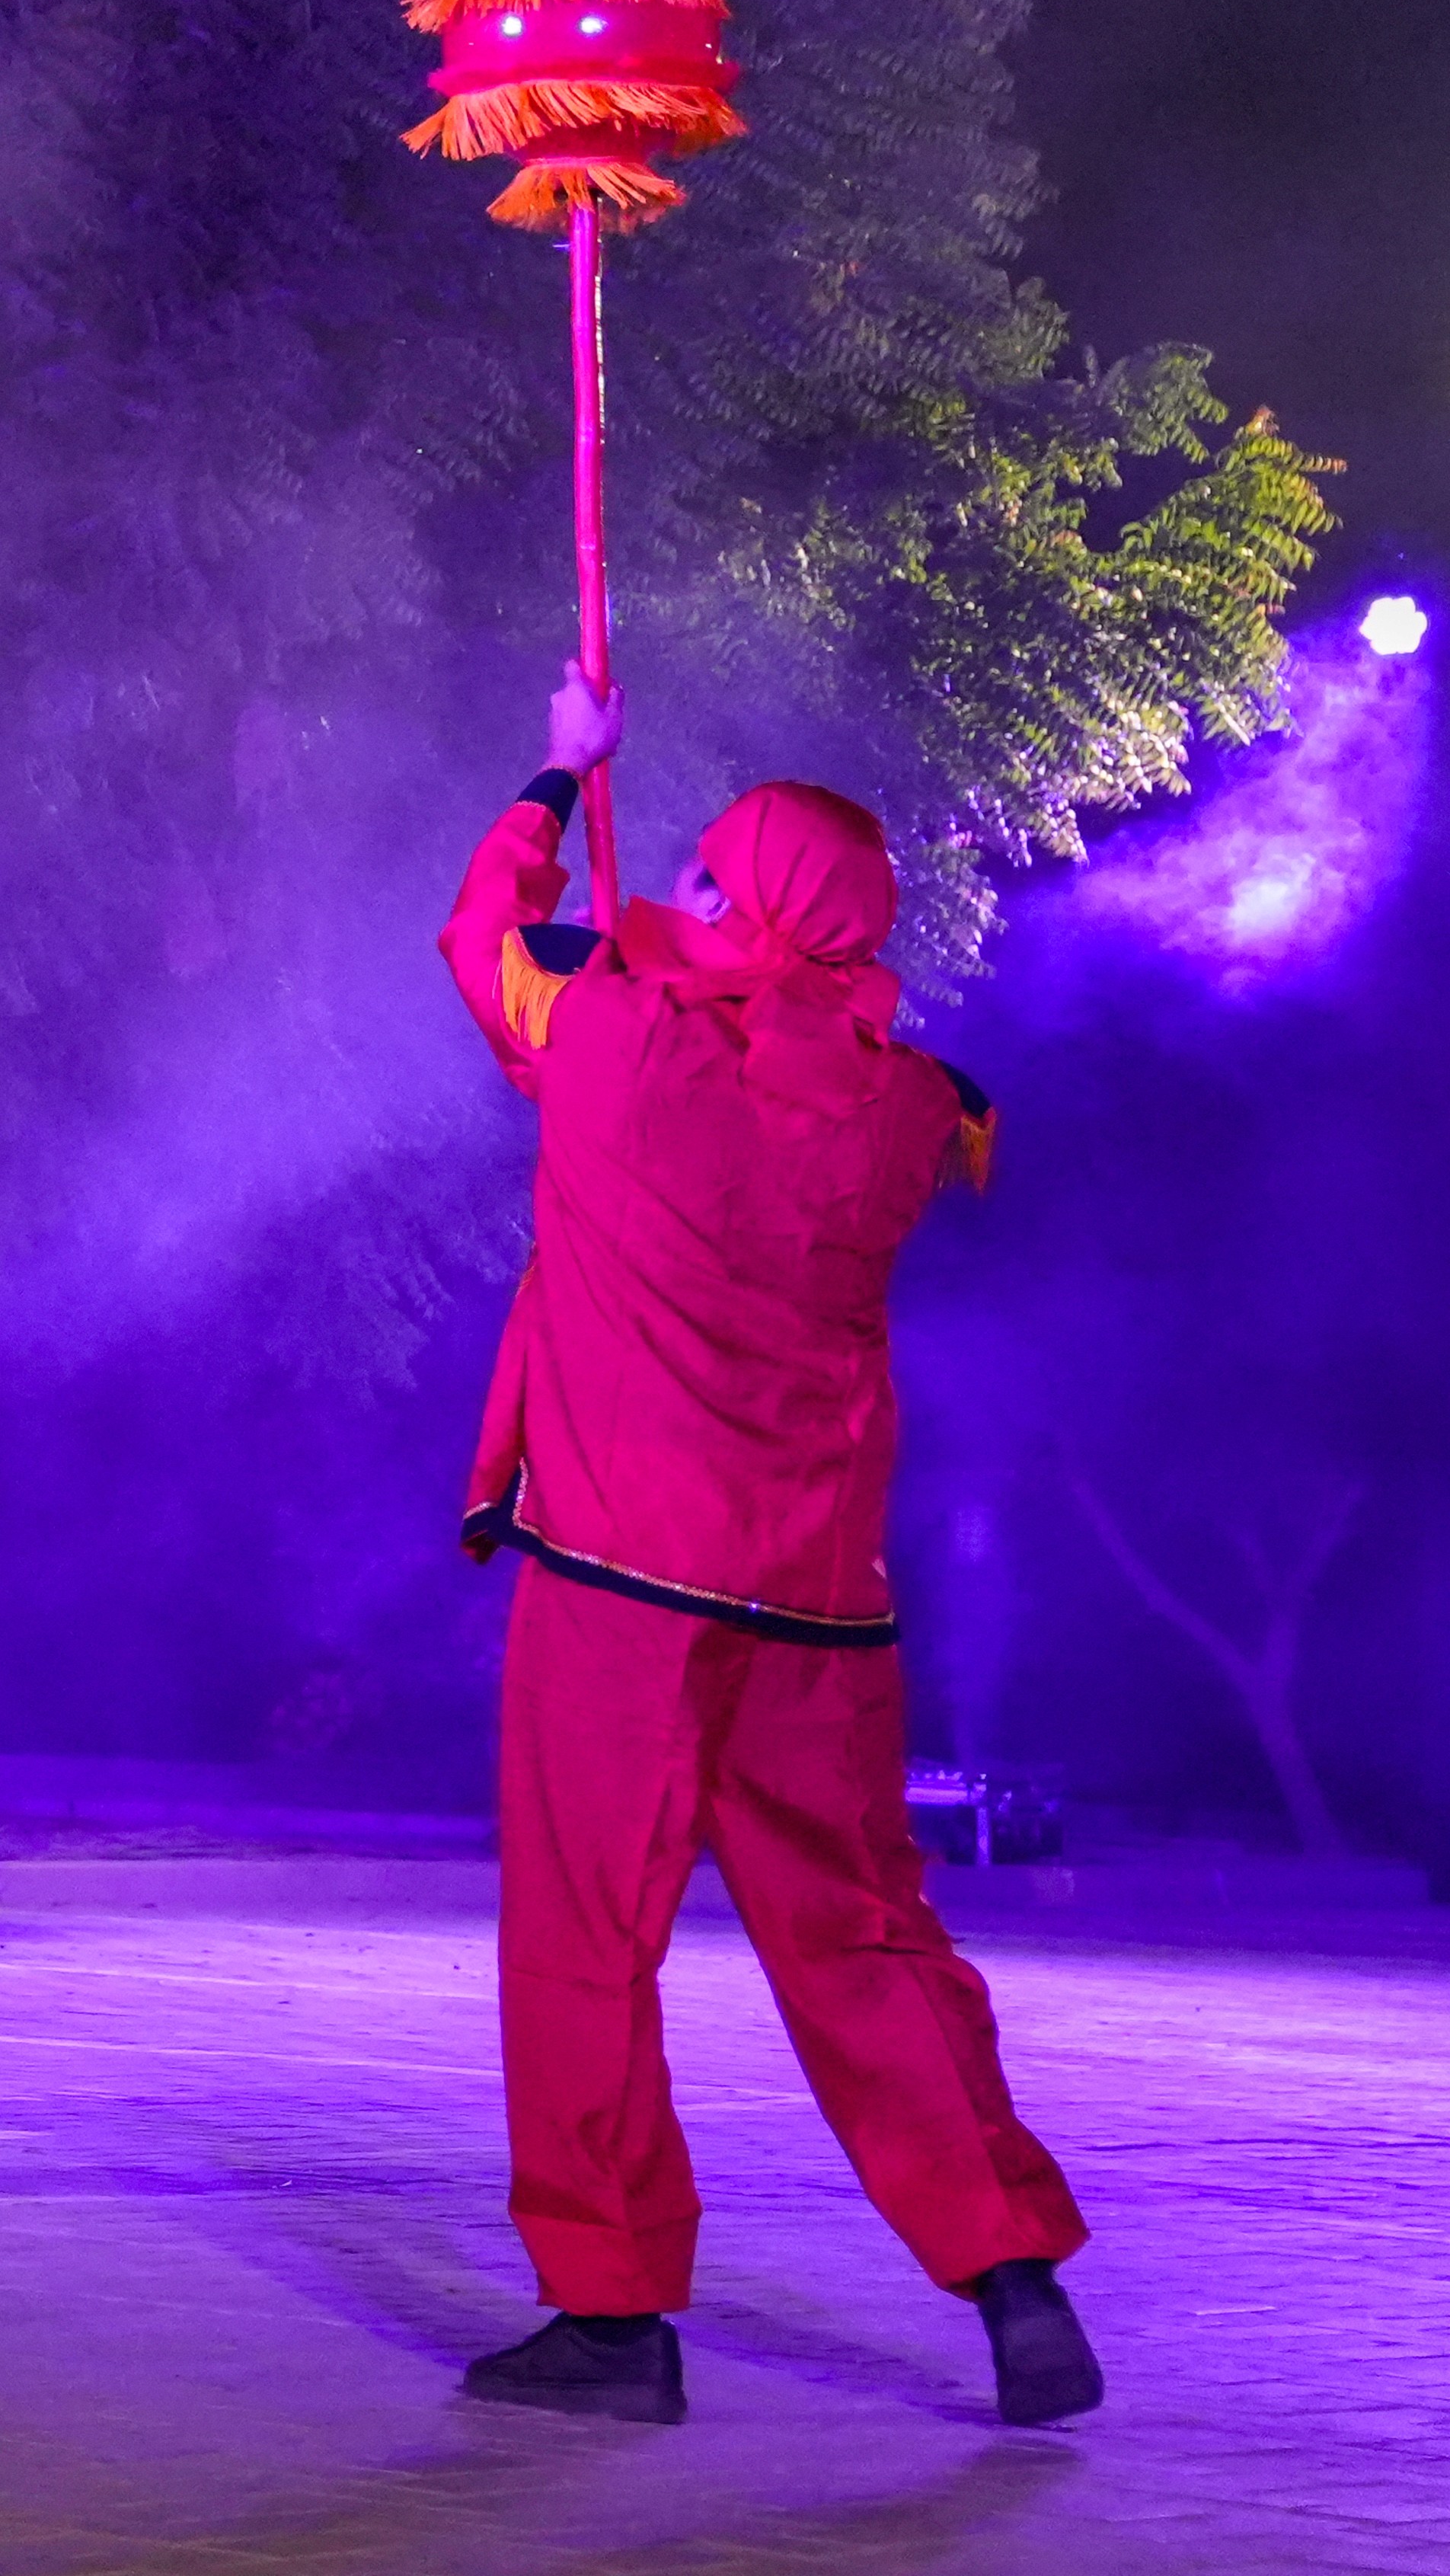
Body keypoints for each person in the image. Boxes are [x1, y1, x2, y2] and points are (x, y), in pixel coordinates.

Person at [439, 670, 1095, 2431]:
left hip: (621, 1590)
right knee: (868, 1941)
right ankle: (1011, 2271)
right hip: (815, 1608)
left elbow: (481, 932)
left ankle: (613, 2310)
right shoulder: (912, 1112)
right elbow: (924, 1104)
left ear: (765, 909)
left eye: (722, 877)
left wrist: (560, 774)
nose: (699, 895)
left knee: (585, 1941)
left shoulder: (604, 1027)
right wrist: (711, 967)